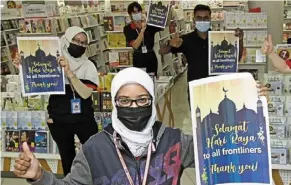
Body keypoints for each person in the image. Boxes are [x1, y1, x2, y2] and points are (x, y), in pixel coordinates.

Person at [14, 67, 269, 185]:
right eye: (124, 101)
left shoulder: (175, 139)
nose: (134, 107)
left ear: (151, 101)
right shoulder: (94, 148)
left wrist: (251, 105)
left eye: (142, 100)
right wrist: (40, 176)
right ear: (115, 103)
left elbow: (223, 151)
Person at [12, 26, 99, 176]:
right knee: (67, 159)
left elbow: (85, 93)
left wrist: (69, 73)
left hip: (84, 118)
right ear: (66, 40)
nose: (80, 45)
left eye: (84, 43)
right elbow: (33, 91)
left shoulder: (88, 65)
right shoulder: (51, 62)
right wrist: (23, 68)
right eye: (76, 41)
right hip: (59, 119)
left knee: (93, 155)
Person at [159, 4, 244, 103]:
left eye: (206, 18)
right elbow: (162, 51)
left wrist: (240, 40)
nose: (202, 21)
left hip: (217, 88)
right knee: (197, 117)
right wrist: (169, 43)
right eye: (199, 18)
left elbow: (236, 58)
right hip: (196, 89)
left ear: (210, 19)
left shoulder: (218, 39)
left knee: (217, 116)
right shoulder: (186, 39)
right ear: (194, 20)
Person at [123, 2, 173, 76]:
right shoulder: (128, 28)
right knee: (141, 80)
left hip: (150, 56)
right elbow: (135, 45)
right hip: (138, 57)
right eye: (134, 12)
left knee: (152, 79)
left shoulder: (149, 25)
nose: (137, 13)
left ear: (141, 12)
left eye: (138, 11)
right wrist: (142, 30)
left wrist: (168, 11)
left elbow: (165, 24)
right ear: (130, 14)